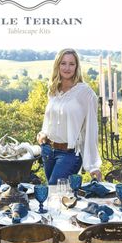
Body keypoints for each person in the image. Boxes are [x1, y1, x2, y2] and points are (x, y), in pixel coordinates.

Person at [37, 48, 102, 185]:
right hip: (48, 152)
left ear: (77, 66)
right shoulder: (53, 89)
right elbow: (49, 121)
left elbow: (90, 129)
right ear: (57, 65)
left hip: (70, 155)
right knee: (55, 198)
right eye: (63, 63)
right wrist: (42, 136)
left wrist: (93, 165)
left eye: (71, 64)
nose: (67, 68)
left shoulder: (85, 92)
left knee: (55, 191)